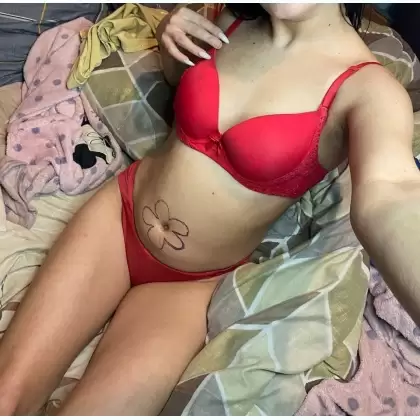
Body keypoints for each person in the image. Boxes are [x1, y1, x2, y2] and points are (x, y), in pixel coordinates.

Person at [0, 3, 417, 415]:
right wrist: (168, 36)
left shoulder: (368, 91)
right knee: (6, 396)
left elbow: (390, 193)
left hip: (189, 285)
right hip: (118, 218)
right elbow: (180, 85)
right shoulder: (230, 19)